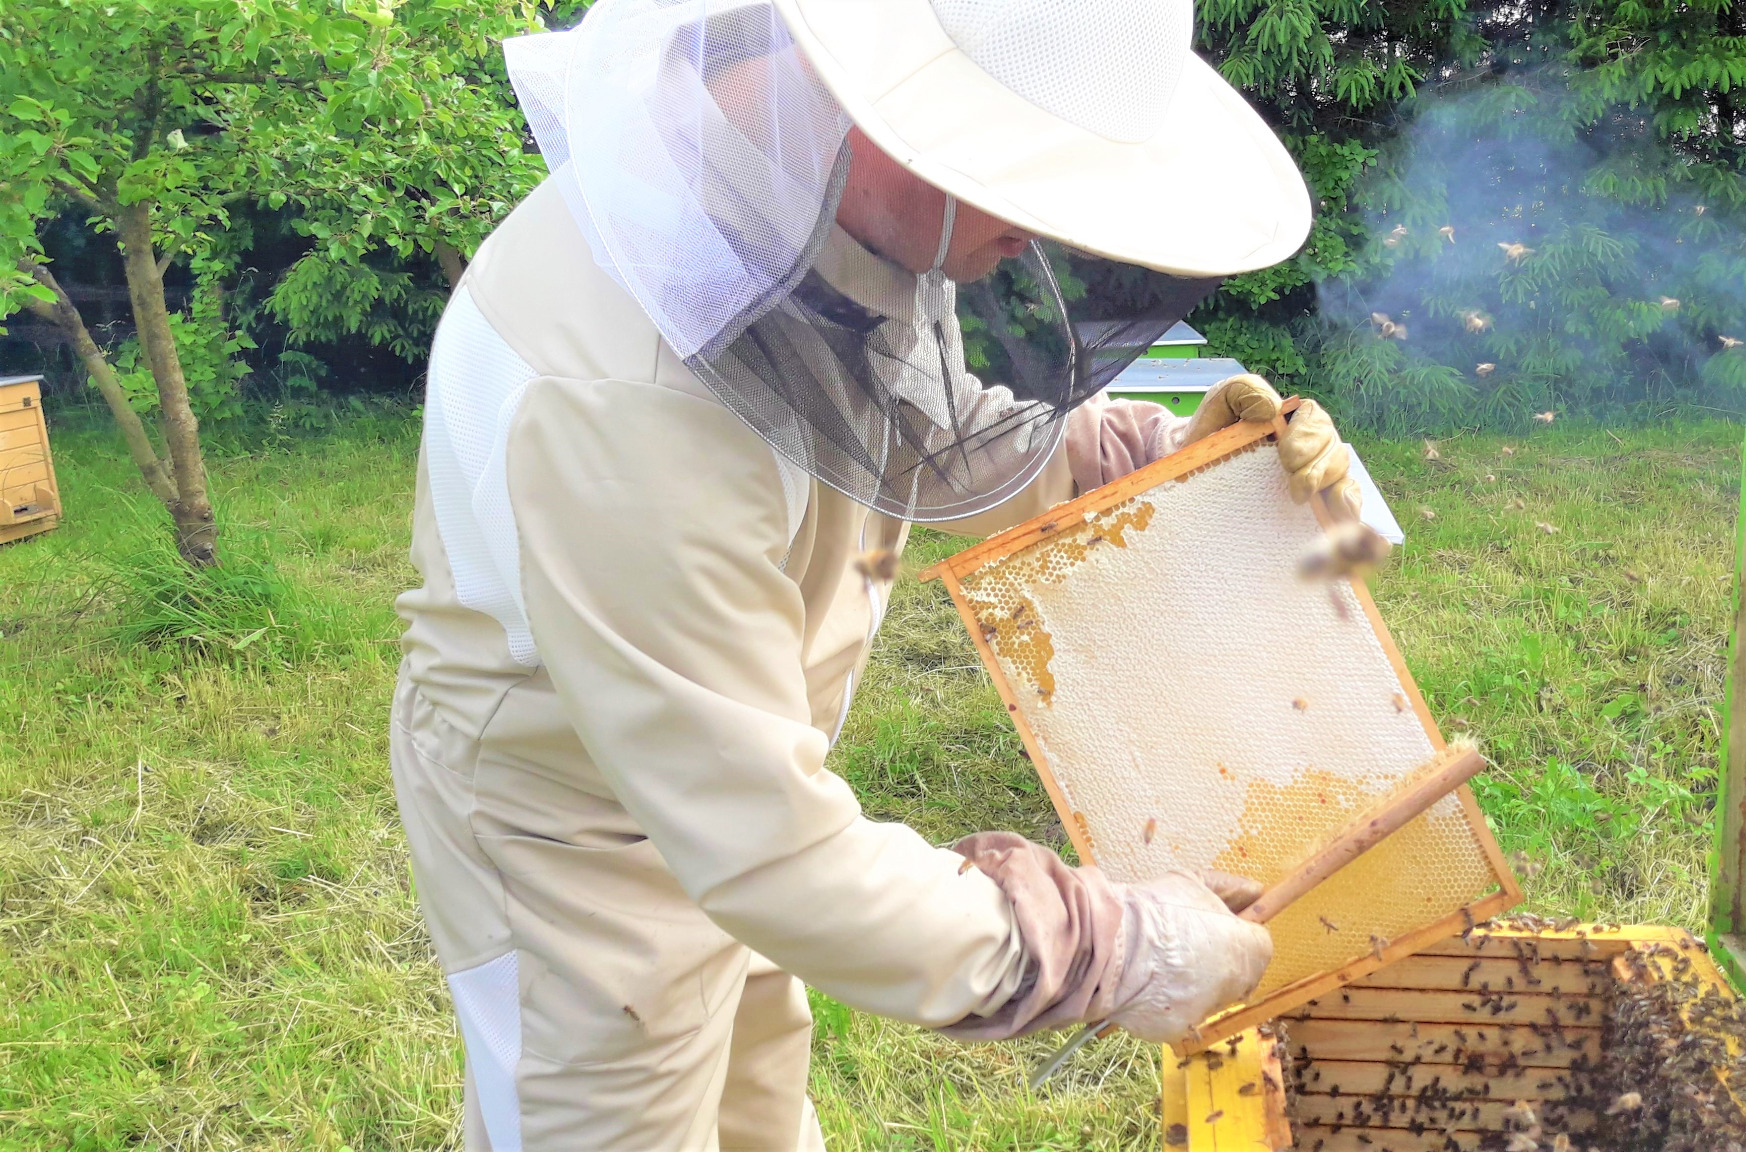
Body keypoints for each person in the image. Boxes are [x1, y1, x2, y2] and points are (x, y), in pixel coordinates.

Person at [390, 0, 1363, 1146]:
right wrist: (1109, 947)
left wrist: (1153, 459)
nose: (1041, 236)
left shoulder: (824, 203)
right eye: (1031, 176)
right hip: (569, 828)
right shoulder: (627, 395)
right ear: (888, 109)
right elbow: (773, 852)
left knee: (757, 1108)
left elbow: (924, 433)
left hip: (726, 763)